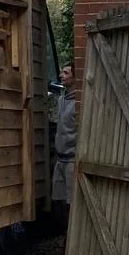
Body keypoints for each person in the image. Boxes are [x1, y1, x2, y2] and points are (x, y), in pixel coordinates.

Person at [52, 60, 76, 229]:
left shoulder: (78, 103)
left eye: (66, 73)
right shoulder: (61, 100)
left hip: (72, 159)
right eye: (61, 72)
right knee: (58, 200)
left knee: (72, 202)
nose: (61, 75)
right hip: (60, 158)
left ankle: (72, 238)